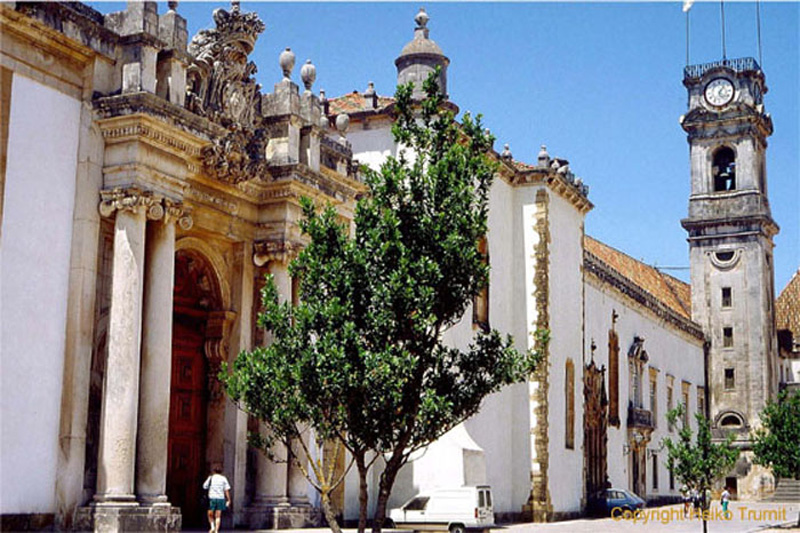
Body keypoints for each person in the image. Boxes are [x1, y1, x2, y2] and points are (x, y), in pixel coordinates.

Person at [203, 466, 231, 533]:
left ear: (214, 471)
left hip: (212, 498)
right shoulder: (223, 479)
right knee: (218, 516)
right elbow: (226, 490)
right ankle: (216, 530)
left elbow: (204, 486)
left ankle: (212, 527)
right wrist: (229, 499)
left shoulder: (211, 478)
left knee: (210, 514)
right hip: (221, 498)